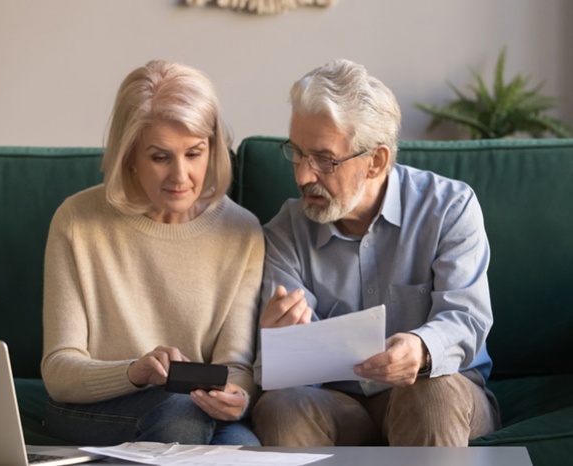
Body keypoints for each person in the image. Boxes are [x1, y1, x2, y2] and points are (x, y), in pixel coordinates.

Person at [251, 58, 500, 446]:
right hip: (336, 402)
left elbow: (466, 319)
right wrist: (278, 343)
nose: (302, 175)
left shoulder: (450, 208)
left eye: (324, 159)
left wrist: (421, 348)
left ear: (377, 161)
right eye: (297, 153)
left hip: (439, 391)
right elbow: (278, 375)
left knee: (431, 393)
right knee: (283, 406)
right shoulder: (286, 230)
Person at [41, 60, 264, 446]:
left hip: (197, 410)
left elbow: (236, 365)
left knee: (245, 448)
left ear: (212, 148)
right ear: (130, 155)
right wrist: (134, 371)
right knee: (180, 415)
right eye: (160, 157)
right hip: (96, 406)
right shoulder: (76, 221)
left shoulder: (242, 231)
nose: (180, 176)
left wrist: (237, 397)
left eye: (194, 153)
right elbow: (59, 371)